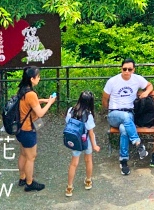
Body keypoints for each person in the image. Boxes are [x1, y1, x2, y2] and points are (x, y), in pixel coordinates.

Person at [102, 58, 153, 176]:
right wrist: (107, 112)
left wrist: (145, 92)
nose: (126, 71)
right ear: (121, 69)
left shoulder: (137, 79)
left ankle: (123, 160)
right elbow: (105, 99)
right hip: (114, 114)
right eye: (124, 69)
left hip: (129, 114)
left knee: (124, 130)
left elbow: (149, 85)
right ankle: (138, 143)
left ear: (133, 70)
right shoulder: (113, 81)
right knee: (125, 117)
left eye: (129, 69)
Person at [15, 65, 56, 193]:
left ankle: (22, 178)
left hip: (19, 128)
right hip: (28, 130)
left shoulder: (23, 89)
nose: (39, 78)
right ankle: (29, 183)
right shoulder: (31, 93)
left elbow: (28, 103)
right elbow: (40, 113)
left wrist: (42, 100)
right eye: (38, 76)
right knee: (31, 157)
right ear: (32, 79)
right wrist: (49, 102)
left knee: (23, 154)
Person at [65, 92, 100, 197]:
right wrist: (95, 145)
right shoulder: (88, 115)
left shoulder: (71, 110)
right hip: (85, 140)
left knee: (73, 163)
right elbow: (91, 132)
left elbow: (67, 122)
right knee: (88, 160)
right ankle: (88, 181)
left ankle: (69, 187)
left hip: (75, 140)